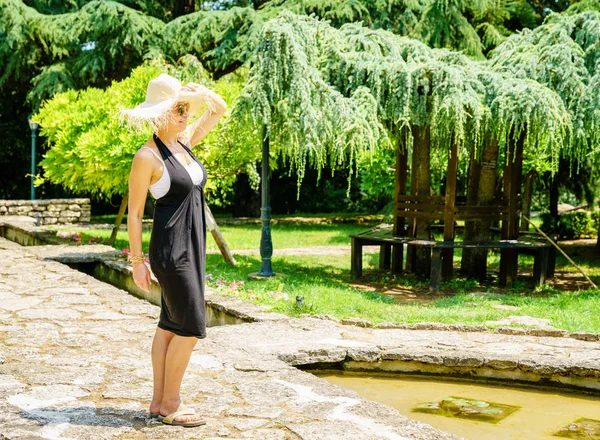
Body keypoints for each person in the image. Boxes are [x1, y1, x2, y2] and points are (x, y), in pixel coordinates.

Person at [123, 73, 227, 427]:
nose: (184, 115)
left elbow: (218, 111)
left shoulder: (184, 144)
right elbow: (135, 214)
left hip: (193, 247)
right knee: (191, 326)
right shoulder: (147, 157)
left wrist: (203, 94)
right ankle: (171, 403)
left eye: (184, 108)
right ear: (158, 114)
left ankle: (157, 402)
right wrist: (137, 262)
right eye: (177, 109)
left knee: (169, 325)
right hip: (171, 251)